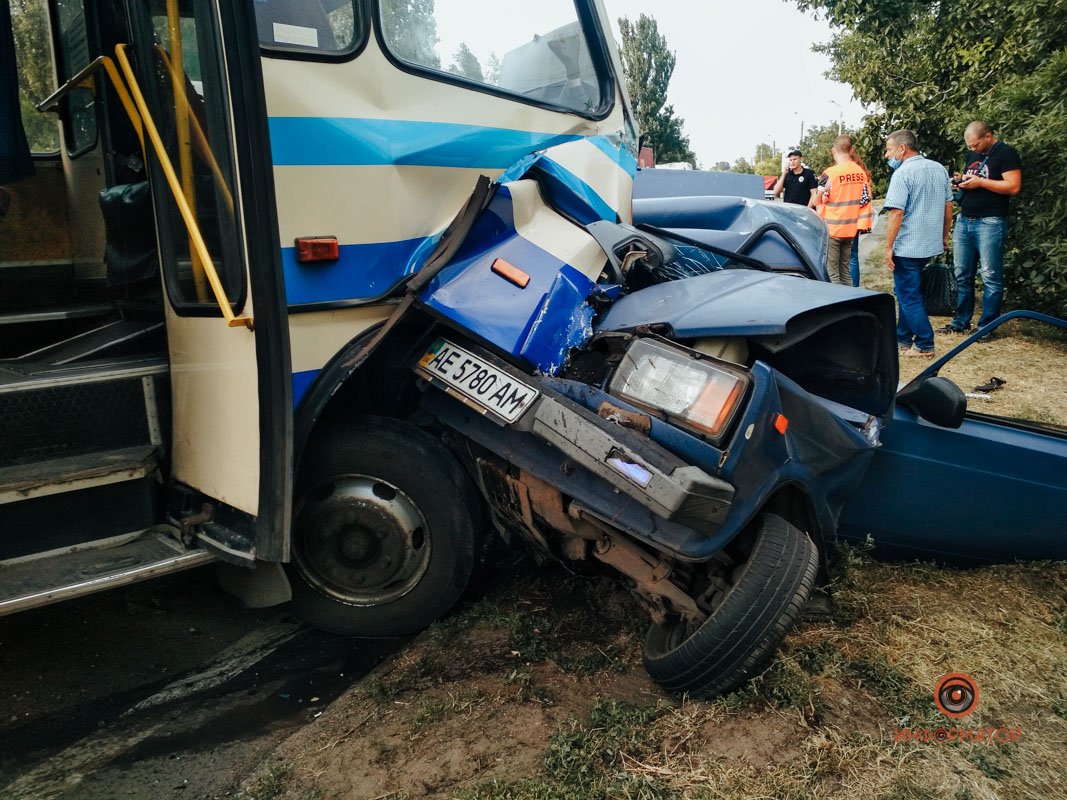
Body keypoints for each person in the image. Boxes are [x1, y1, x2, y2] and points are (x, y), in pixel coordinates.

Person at [937, 121, 1022, 338]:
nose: (972, 150)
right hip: (966, 220)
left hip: (990, 221)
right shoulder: (973, 155)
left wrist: (981, 183)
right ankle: (960, 321)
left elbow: (1013, 186)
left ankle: (987, 327)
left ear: (988, 136)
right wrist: (962, 182)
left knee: (990, 275)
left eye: (975, 145)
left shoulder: (1006, 153)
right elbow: (974, 178)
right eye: (969, 146)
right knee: (962, 274)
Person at [882, 129, 954, 357]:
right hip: (929, 243)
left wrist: (888, 246)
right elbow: (948, 207)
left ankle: (924, 343)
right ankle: (902, 337)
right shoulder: (938, 169)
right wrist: (944, 236)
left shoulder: (903, 174)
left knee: (908, 295)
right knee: (908, 291)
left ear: (902, 149)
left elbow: (896, 213)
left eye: (889, 150)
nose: (887, 155)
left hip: (908, 244)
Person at [814, 135, 872, 285]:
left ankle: (839, 303)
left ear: (833, 150)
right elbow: (865, 198)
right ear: (851, 150)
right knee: (845, 270)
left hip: (833, 229)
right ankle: (851, 300)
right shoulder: (860, 172)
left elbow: (816, 200)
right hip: (851, 229)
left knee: (832, 271)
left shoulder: (830, 173)